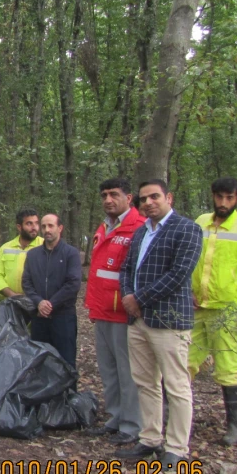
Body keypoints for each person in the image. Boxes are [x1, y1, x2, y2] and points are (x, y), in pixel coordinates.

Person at [115, 179, 203, 466]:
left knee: (176, 386)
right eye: (144, 199)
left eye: (155, 197)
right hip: (137, 321)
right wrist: (128, 295)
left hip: (169, 320)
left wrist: (139, 299)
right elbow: (127, 268)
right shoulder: (141, 232)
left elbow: (179, 273)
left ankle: (177, 448)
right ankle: (150, 438)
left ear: (169, 197)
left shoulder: (187, 229)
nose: (149, 202)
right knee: (145, 382)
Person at [188, 177, 237, 446]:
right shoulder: (200, 222)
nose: (223, 203)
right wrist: (188, 290)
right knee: (184, 362)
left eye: (229, 198)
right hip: (197, 308)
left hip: (228, 310)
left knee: (228, 367)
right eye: (219, 197)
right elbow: (191, 259)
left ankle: (235, 424)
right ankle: (177, 418)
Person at [84, 179, 145, 444]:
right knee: (108, 371)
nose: (108, 199)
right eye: (104, 195)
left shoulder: (138, 228)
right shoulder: (104, 227)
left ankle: (132, 426)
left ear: (128, 198)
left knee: (127, 372)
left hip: (123, 313)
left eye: (114, 194)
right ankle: (115, 418)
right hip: (101, 311)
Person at [22, 213, 82, 366]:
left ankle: (68, 391)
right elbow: (27, 283)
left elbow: (73, 283)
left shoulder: (71, 253)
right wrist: (39, 302)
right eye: (43, 226)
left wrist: (51, 304)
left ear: (60, 228)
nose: (46, 230)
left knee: (66, 362)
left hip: (63, 317)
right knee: (40, 363)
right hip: (39, 318)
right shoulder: (33, 255)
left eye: (50, 226)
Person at [0, 209, 43, 299]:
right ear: (19, 227)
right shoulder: (5, 248)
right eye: (29, 223)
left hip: (38, 303)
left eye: (36, 223)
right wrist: (11, 295)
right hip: (10, 302)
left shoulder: (44, 246)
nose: (34, 227)